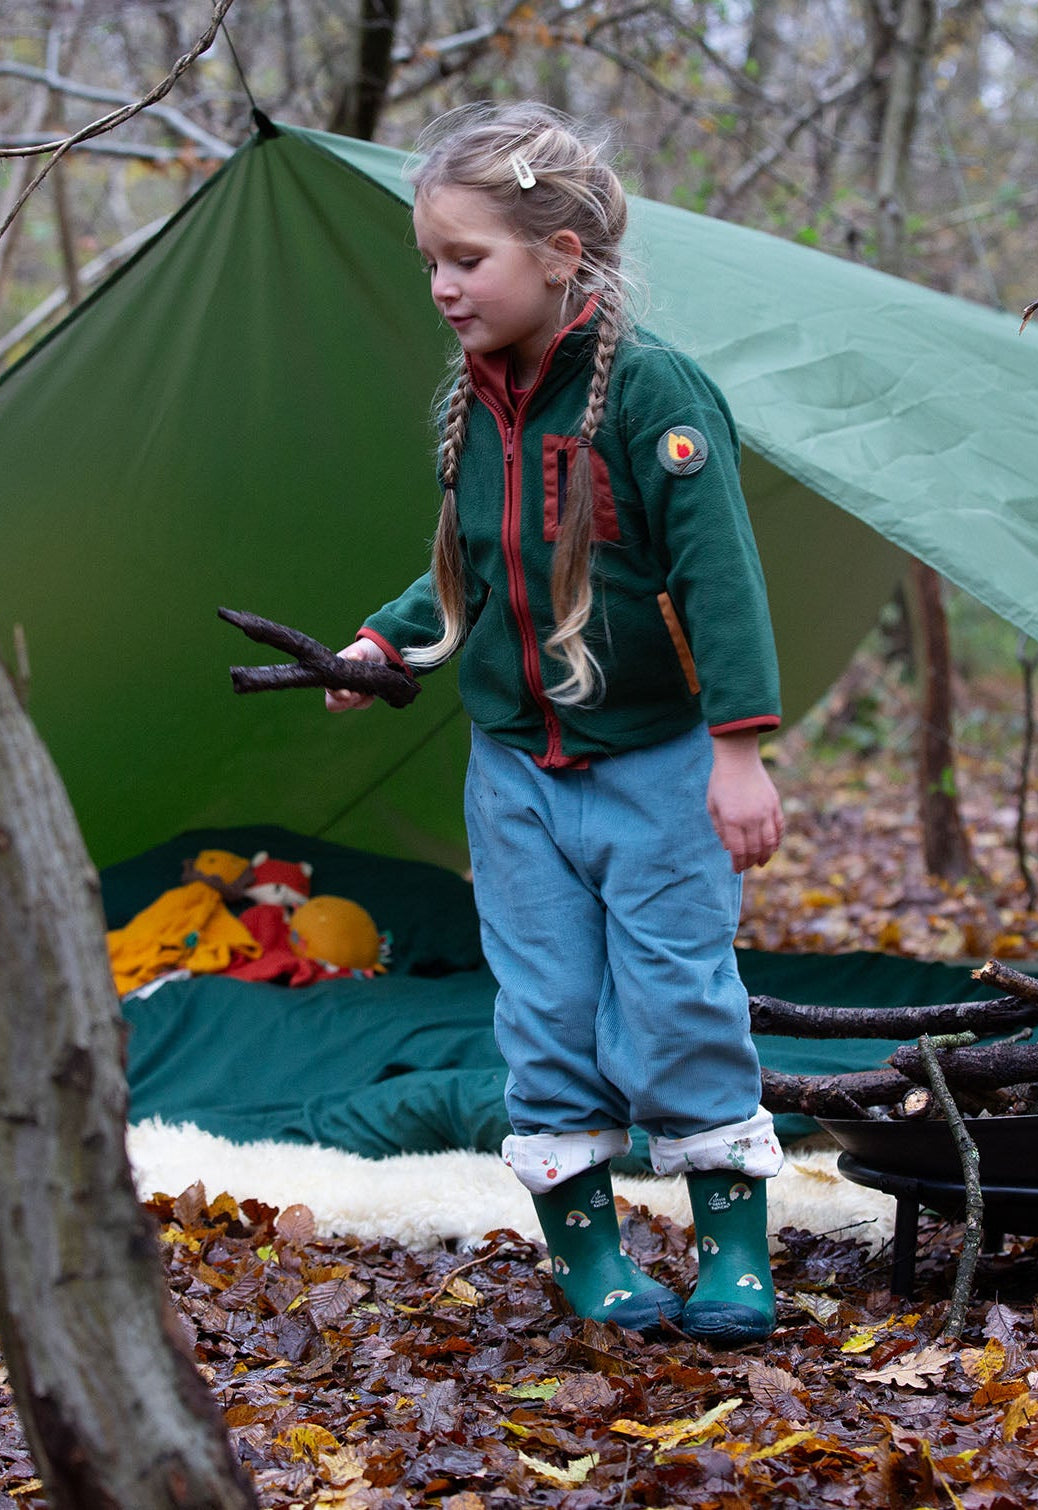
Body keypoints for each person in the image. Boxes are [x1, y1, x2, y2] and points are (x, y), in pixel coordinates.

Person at [327, 101, 785, 1346]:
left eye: (464, 258)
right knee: (542, 1007)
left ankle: (732, 1257)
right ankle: (591, 1260)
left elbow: (720, 577)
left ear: (562, 250)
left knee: (678, 998)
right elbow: (476, 561)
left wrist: (736, 752)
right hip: (517, 771)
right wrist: (385, 640)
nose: (440, 286)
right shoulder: (479, 399)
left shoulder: (649, 390)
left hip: (655, 761)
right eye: (430, 260)